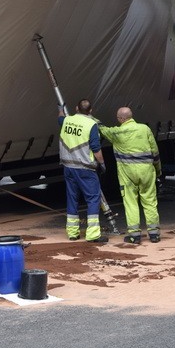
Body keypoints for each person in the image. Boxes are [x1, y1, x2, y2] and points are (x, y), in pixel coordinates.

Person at [98, 107, 162, 244]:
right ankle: (154, 234)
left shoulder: (117, 133)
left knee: (131, 203)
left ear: (121, 119)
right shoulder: (144, 129)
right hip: (147, 172)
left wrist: (94, 120)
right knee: (150, 201)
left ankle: (135, 236)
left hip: (127, 174)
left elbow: (103, 130)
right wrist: (158, 170)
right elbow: (155, 152)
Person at [59, 99, 108, 243]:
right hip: (85, 168)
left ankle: (73, 233)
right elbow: (96, 148)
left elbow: (60, 118)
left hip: (68, 167)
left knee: (72, 198)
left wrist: (60, 108)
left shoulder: (67, 120)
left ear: (76, 108)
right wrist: (102, 163)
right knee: (93, 198)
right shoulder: (91, 124)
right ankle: (93, 234)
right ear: (91, 111)